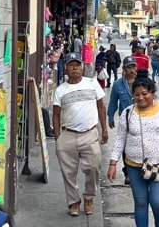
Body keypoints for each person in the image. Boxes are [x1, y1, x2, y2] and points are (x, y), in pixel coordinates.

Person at [107, 69, 159, 227]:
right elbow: (120, 140)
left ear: (153, 92)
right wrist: (113, 163)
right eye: (136, 95)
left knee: (158, 203)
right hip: (134, 166)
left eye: (144, 94)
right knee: (141, 203)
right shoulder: (128, 113)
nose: (140, 98)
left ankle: (158, 224)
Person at [52, 52, 108, 216]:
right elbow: (55, 115)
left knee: (93, 167)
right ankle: (74, 202)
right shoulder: (61, 90)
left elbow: (101, 107)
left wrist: (104, 128)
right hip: (67, 135)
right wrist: (58, 137)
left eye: (77, 64)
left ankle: (89, 198)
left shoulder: (92, 84)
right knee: (68, 173)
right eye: (71, 65)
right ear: (66, 68)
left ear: (82, 67)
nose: (75, 67)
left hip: (89, 134)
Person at [108, 56, 139, 185]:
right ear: (124, 69)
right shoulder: (118, 84)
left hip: (141, 119)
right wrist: (110, 116)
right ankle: (128, 172)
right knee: (125, 148)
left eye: (133, 67)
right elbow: (113, 102)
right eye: (129, 67)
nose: (131, 70)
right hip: (125, 121)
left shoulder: (143, 82)